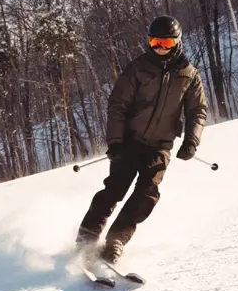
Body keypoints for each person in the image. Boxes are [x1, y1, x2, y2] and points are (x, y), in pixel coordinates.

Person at [75, 15, 208, 264]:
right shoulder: (138, 69)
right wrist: (115, 141)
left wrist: (192, 140)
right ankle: (86, 239)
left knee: (147, 195)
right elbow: (117, 105)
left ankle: (115, 241)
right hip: (129, 142)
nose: (159, 48)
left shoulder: (189, 75)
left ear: (177, 43)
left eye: (166, 44)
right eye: (155, 42)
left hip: (160, 146)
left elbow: (197, 111)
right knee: (115, 189)